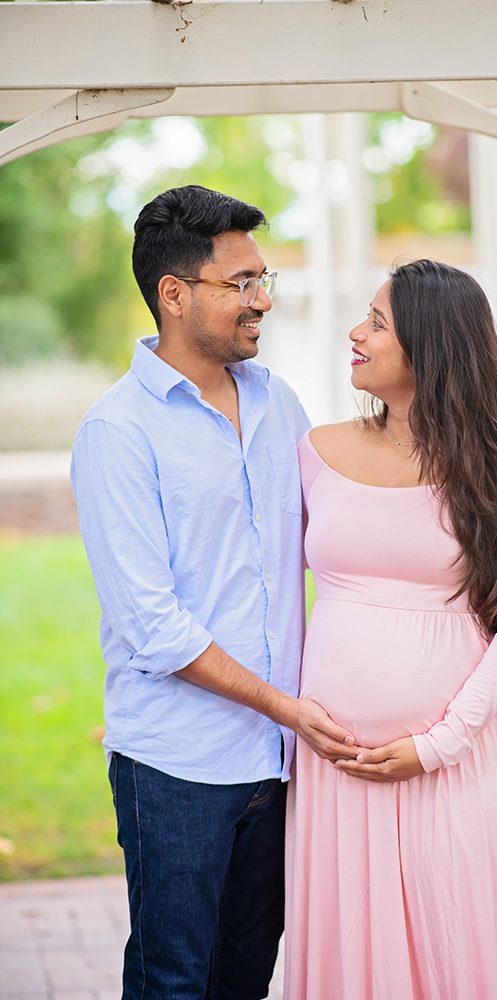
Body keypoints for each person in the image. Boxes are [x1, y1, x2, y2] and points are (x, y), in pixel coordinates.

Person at [71, 184, 362, 1000]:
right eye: (240, 283)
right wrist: (285, 706)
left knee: (243, 979)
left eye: (263, 280)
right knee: (173, 981)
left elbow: (335, 539)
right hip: (177, 764)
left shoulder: (279, 405)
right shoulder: (117, 432)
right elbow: (153, 626)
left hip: (275, 763)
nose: (261, 300)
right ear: (174, 294)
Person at [284, 259, 497, 1000]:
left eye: (377, 322)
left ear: (430, 347)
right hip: (339, 767)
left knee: (464, 957)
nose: (356, 333)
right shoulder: (315, 453)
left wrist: (443, 742)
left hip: (463, 759)